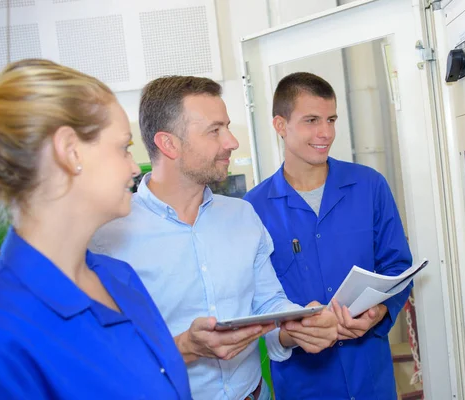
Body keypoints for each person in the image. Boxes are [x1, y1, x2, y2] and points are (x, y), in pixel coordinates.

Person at [90, 75, 338, 400]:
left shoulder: (242, 215)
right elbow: (102, 354)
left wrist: (298, 327)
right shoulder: (108, 235)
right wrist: (183, 347)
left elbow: (267, 302)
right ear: (169, 144)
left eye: (228, 127)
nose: (232, 141)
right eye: (215, 130)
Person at [0, 59, 192, 399]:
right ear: (70, 152)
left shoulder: (119, 277)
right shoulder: (2, 326)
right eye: (124, 147)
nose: (133, 167)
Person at [244, 72, 414, 399]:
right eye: (311, 120)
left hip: (371, 377)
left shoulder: (369, 186)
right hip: (304, 384)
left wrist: (379, 312)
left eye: (331, 119)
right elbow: (253, 305)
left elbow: (398, 268)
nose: (325, 133)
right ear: (281, 125)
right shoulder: (252, 210)